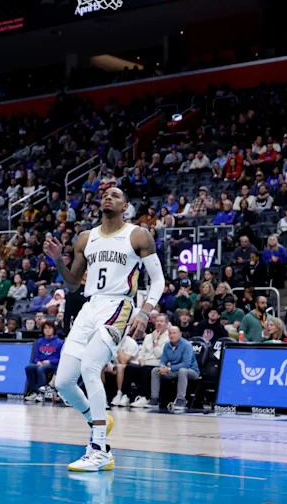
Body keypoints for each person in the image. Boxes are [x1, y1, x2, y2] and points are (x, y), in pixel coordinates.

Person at [44, 187, 166, 472]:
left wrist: (145, 311)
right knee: (62, 382)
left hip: (119, 306)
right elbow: (74, 283)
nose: (108, 197)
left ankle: (99, 449)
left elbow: (158, 280)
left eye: (115, 194)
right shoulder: (86, 237)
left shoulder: (138, 235)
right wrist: (58, 260)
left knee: (90, 367)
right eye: (105, 194)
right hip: (90, 307)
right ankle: (97, 419)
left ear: (125, 205)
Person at [149, 325, 199, 412]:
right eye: (170, 333)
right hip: (174, 370)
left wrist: (168, 369)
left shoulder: (187, 345)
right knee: (155, 371)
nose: (172, 335)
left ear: (180, 334)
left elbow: (186, 364)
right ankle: (154, 399)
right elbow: (163, 360)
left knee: (182, 371)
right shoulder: (167, 345)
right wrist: (162, 367)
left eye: (174, 333)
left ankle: (181, 400)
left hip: (191, 371)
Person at [25, 322, 63, 401]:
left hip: (53, 364)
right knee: (28, 367)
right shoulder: (39, 342)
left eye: (49, 328)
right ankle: (34, 392)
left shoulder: (60, 342)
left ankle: (41, 393)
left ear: (53, 329)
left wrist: (49, 361)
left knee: (41, 369)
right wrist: (37, 361)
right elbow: (36, 356)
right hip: (41, 363)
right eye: (45, 328)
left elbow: (61, 359)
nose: (47, 330)